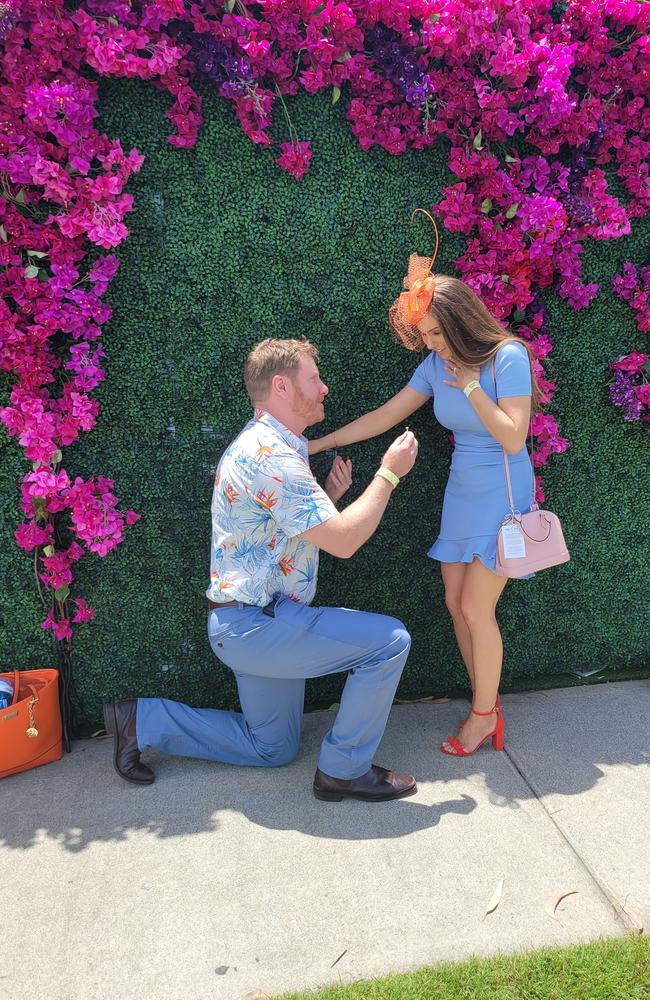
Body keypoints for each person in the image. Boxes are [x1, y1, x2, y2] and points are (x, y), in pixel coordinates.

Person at [103, 337, 420, 802]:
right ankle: (344, 771)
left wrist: (328, 503)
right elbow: (346, 542)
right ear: (281, 386)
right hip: (257, 624)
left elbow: (276, 538)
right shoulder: (273, 458)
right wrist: (389, 472)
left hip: (244, 623)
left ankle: (140, 721)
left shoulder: (266, 447)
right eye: (314, 378)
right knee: (390, 643)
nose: (325, 388)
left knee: (271, 747)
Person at [309, 216, 539, 758]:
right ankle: (488, 703)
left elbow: (513, 437)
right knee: (455, 602)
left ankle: (484, 716)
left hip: (504, 496)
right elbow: (384, 416)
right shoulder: (438, 365)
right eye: (427, 335)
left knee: (479, 609)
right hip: (462, 491)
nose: (432, 343)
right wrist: (318, 444)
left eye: (437, 332)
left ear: (462, 321)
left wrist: (468, 385)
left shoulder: (508, 356)